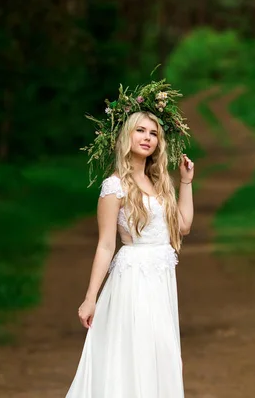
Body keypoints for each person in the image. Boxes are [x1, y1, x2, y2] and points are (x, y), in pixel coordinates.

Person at [66, 80, 194, 397]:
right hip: (133, 278)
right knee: (134, 354)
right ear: (127, 136)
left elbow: (183, 227)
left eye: (153, 133)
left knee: (162, 354)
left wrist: (186, 183)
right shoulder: (114, 186)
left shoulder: (160, 183)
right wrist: (90, 297)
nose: (147, 138)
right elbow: (106, 245)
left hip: (161, 277)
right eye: (140, 131)